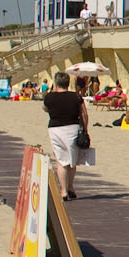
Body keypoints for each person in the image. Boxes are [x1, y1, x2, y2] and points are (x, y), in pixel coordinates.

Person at [43, 72, 90, 200]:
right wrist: (85, 130)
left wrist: (53, 91)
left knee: (60, 161)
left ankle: (63, 191)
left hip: (55, 129)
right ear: (68, 83)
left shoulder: (49, 97)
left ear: (56, 82)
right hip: (72, 128)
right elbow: (84, 114)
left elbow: (45, 108)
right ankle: (70, 187)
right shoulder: (75, 96)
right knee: (71, 161)